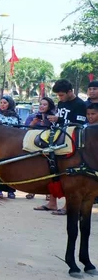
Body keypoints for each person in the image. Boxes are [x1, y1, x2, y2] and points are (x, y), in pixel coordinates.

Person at [35, 79, 87, 214]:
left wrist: (59, 120)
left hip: (71, 140)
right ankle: (52, 202)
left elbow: (78, 124)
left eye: (62, 94)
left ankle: (67, 206)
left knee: (67, 172)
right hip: (58, 137)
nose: (60, 97)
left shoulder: (80, 104)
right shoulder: (61, 102)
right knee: (52, 167)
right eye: (58, 95)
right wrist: (55, 120)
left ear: (70, 92)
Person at [23, 96, 56, 199]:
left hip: (47, 145)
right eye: (41, 104)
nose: (42, 106)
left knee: (47, 169)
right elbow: (25, 130)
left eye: (45, 104)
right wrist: (33, 123)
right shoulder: (32, 117)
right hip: (33, 145)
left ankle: (48, 193)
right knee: (32, 169)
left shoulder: (53, 117)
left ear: (49, 106)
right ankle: (31, 190)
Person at [0, 95, 20, 198]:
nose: (2, 105)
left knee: (11, 168)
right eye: (1, 103)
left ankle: (11, 190)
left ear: (10, 104)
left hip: (12, 146)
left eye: (5, 103)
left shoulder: (15, 116)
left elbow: (19, 130)